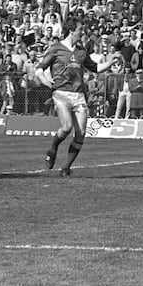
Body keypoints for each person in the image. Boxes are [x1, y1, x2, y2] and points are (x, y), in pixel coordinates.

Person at [35, 16, 123, 177]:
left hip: (79, 95)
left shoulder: (81, 51)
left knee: (81, 133)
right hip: (61, 93)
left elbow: (96, 68)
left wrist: (111, 62)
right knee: (67, 127)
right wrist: (47, 82)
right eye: (80, 30)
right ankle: (53, 148)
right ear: (71, 31)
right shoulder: (56, 48)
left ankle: (66, 168)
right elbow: (39, 69)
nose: (82, 33)